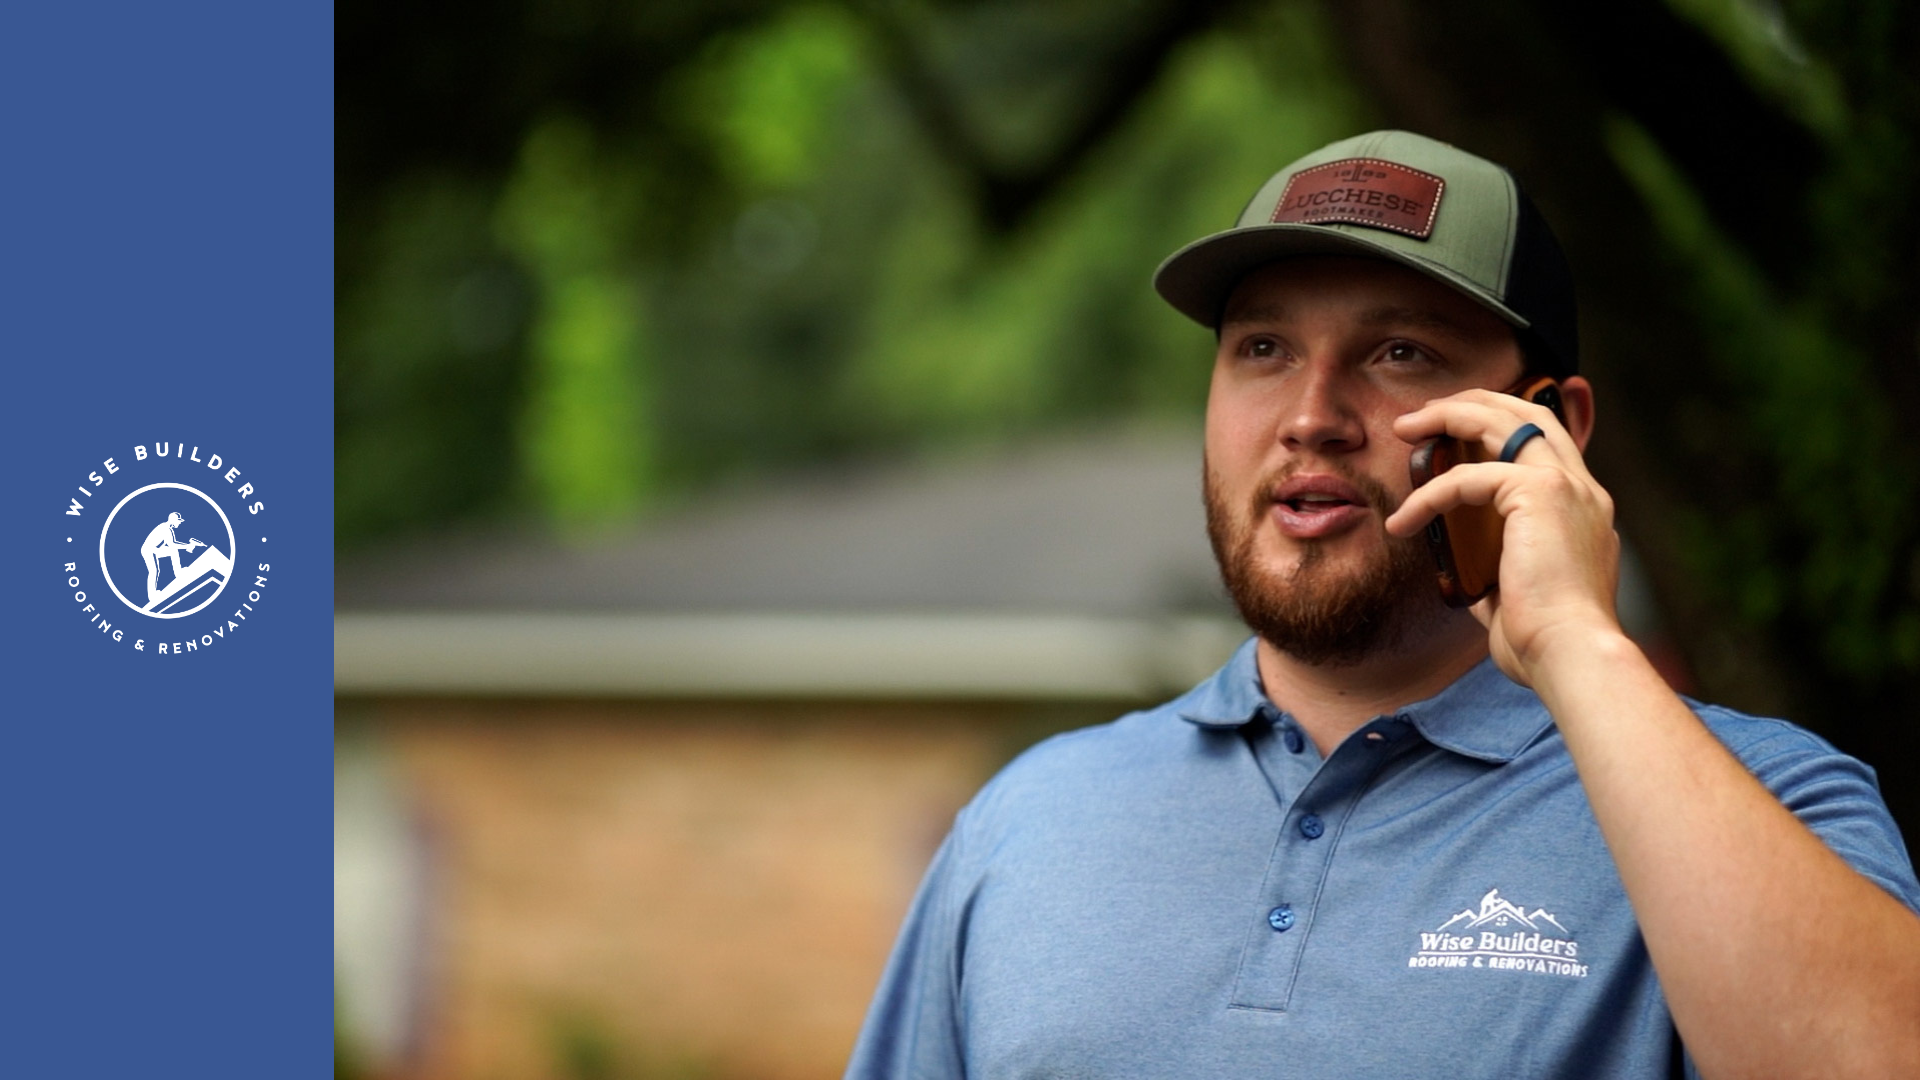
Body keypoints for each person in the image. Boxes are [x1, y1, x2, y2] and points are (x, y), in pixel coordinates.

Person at [844, 131, 1920, 1079]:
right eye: (1262, 348)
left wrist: (1577, 644)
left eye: (1400, 352)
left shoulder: (1771, 804)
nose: (1311, 417)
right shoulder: (1026, 821)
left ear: (1551, 428)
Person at [141, 511, 205, 602]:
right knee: (154, 570)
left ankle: (178, 572)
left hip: (155, 549)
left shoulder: (167, 528)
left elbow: (172, 545)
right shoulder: (165, 529)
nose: (180, 522)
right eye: (178, 521)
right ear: (173, 520)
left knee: (173, 551)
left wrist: (187, 546)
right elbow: (172, 544)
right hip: (149, 550)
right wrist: (187, 546)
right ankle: (152, 596)